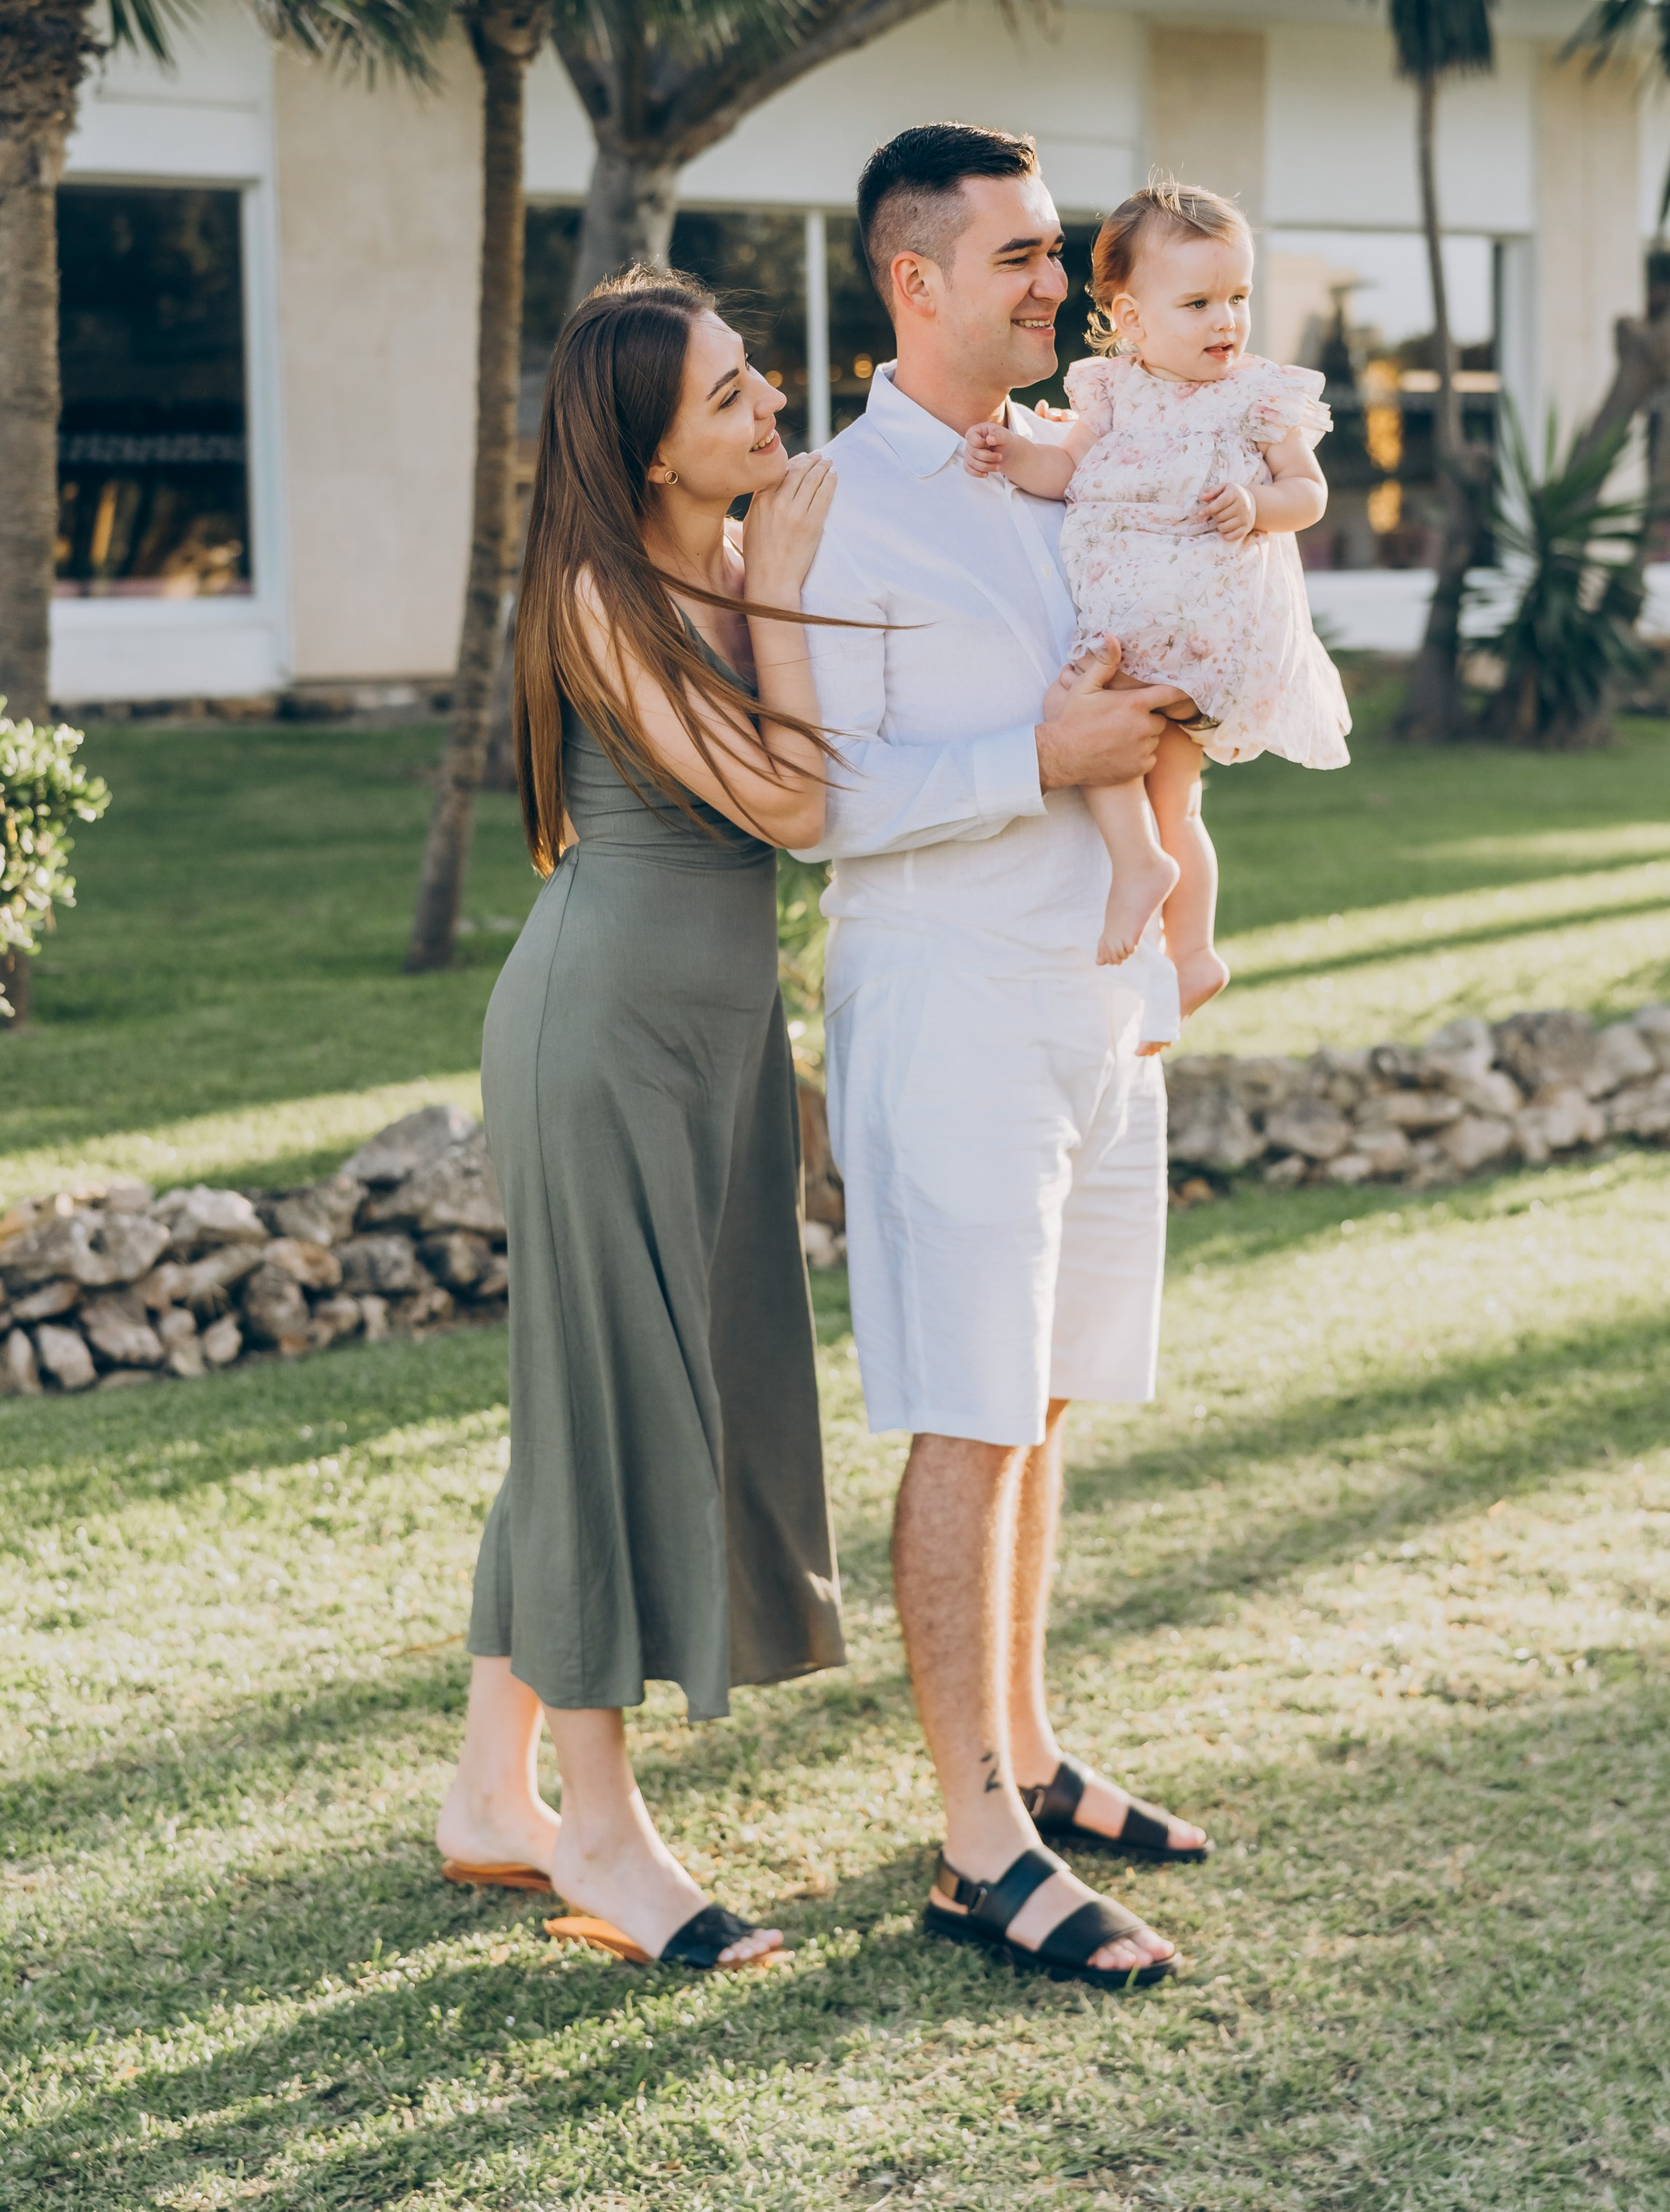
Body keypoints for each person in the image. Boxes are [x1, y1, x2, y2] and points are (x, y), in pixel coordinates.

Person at [797, 123, 1207, 1993]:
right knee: (965, 1407)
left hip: (1096, 1000)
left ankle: (1029, 1755)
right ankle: (976, 1848)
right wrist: (1036, 759)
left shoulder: (1086, 463)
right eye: (1024, 257)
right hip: (946, 1000)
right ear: (916, 282)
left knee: (1040, 1395)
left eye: (1059, 250)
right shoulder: (826, 506)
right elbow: (814, 800)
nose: (1063, 281)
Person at [435, 268, 845, 1974]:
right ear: (650, 452)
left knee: (582, 1399)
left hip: (712, 1035)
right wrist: (790, 592)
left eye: (757, 376)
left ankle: (489, 1795)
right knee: (602, 1405)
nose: (770, 407)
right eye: (729, 397)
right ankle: (599, 1832)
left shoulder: (733, 558)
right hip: (600, 1035)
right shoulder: (606, 597)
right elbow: (797, 801)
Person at [964, 180, 1351, 1010]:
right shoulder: (1112, 392)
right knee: (1171, 790)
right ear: (1132, 318)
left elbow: (1309, 493)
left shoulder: (1257, 394)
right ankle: (1193, 953)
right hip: (1135, 631)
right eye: (1199, 303)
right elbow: (1063, 471)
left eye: (1238, 297)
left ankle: (1141, 868)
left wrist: (1258, 506)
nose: (1226, 320)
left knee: (1078, 708)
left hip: (1202, 628)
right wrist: (1011, 455)